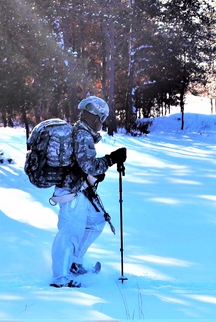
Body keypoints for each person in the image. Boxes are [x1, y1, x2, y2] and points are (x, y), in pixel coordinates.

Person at [49, 95, 127, 288]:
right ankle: (60, 279)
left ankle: (74, 262)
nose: (102, 123)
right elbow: (89, 165)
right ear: (94, 116)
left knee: (96, 221)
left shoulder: (80, 133)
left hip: (79, 189)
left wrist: (99, 170)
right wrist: (110, 160)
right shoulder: (82, 135)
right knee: (69, 233)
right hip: (72, 192)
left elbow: (83, 165)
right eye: (102, 118)